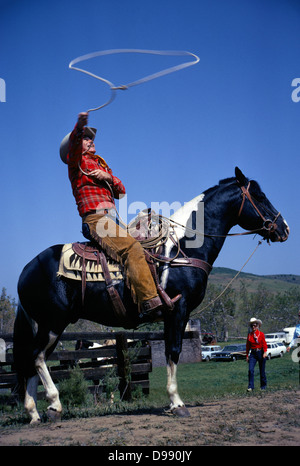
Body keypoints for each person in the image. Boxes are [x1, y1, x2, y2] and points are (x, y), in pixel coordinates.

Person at [60, 112, 179, 322]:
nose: (90, 140)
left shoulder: (101, 166)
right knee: (131, 248)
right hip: (96, 220)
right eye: (86, 138)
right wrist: (80, 126)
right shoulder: (76, 164)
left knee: (146, 247)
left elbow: (121, 191)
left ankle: (141, 294)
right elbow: (73, 148)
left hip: (113, 220)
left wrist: (109, 177)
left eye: (91, 137)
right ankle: (150, 302)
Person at [246, 317, 268, 392]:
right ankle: (251, 386)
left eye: (255, 325)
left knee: (262, 370)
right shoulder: (249, 335)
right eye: (252, 326)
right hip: (253, 353)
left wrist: (265, 352)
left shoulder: (261, 334)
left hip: (260, 352)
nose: (253, 327)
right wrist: (247, 355)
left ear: (258, 326)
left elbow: (264, 344)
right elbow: (247, 346)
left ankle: (263, 386)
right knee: (250, 370)